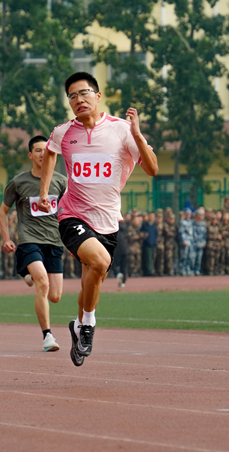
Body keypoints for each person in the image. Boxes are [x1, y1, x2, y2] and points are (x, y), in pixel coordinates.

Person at [38, 72, 158, 366]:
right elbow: (51, 154)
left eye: (84, 93)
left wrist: (139, 135)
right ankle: (89, 326)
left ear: (98, 95)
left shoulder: (122, 130)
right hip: (72, 214)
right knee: (101, 262)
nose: (79, 100)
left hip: (108, 221)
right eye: (72, 96)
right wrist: (44, 191)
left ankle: (77, 325)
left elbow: (153, 169)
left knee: (91, 281)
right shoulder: (62, 132)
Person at [0, 135, 67, 352]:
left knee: (54, 296)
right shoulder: (19, 182)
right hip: (29, 240)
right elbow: (3, 211)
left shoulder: (61, 181)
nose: (42, 154)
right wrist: (6, 238)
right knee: (43, 284)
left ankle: (27, 274)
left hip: (54, 241)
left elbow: (69, 211)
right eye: (37, 150)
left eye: (46, 150)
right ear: (30, 154)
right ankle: (48, 336)